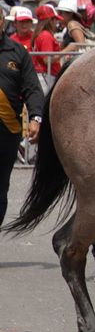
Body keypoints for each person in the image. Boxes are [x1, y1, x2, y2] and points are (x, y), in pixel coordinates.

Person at [0, 23, 43, 225]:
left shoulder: (17, 52)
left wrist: (36, 117)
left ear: (2, 23)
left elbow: (32, 88)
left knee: (0, 188)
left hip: (7, 132)